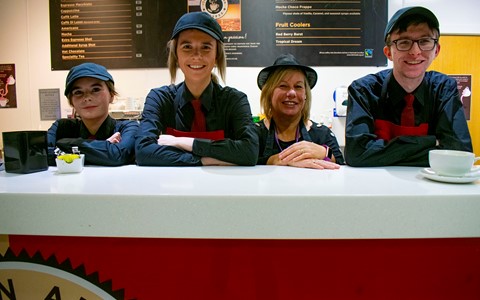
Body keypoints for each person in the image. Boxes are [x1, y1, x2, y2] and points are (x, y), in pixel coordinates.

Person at [345, 6, 472, 167]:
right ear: (388, 52)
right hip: (376, 188)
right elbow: (356, 154)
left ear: (436, 50)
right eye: (404, 42)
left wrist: (380, 152)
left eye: (425, 41)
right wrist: (434, 143)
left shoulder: (444, 89)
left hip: (431, 188)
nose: (415, 51)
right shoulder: (363, 90)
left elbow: (460, 154)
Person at [135, 12, 258, 166]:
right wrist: (204, 159)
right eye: (187, 47)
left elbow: (250, 152)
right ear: (176, 55)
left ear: (217, 56)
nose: (196, 55)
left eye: (206, 47)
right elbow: (143, 152)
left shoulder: (234, 100)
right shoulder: (159, 98)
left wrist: (185, 143)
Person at [255, 53, 344, 169]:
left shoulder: (322, 134)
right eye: (283, 86)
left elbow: (341, 165)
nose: (292, 93)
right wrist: (273, 160)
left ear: (305, 94)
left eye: (298, 87)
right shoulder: (254, 133)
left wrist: (325, 153)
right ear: (268, 93)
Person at [47, 62, 138, 166]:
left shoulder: (128, 128)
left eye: (95, 90)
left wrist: (63, 144)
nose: (87, 98)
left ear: (111, 95)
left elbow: (118, 155)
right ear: (71, 101)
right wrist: (105, 148)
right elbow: (39, 154)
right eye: (78, 92)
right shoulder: (61, 128)